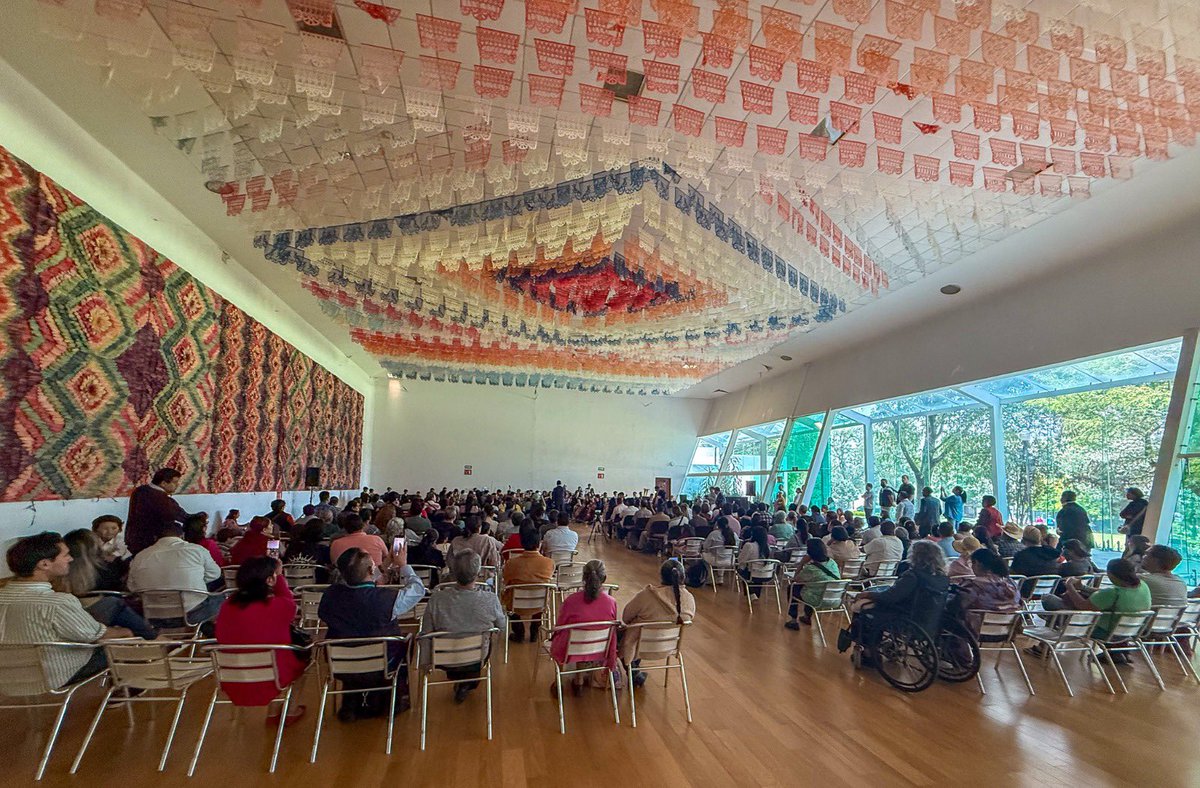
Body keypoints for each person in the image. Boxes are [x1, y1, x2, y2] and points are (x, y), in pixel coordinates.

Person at [0, 533, 134, 689]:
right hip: (56, 676)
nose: (70, 559)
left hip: (8, 681)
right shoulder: (58, 602)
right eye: (65, 555)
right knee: (123, 639)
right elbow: (95, 635)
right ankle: (125, 694)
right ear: (44, 564)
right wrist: (125, 633)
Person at [318, 544, 425, 719]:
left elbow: (360, 580)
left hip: (340, 664)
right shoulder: (387, 600)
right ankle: (397, 698)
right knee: (406, 639)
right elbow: (418, 590)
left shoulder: (330, 596)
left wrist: (385, 565)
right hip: (383, 664)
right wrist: (404, 565)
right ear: (370, 569)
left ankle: (351, 703)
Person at [214, 557, 309, 723]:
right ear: (270, 580)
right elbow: (289, 602)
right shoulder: (279, 606)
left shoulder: (227, 606)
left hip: (230, 678)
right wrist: (279, 578)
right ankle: (290, 710)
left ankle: (274, 712)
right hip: (273, 677)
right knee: (303, 659)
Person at [421, 549, 508, 703]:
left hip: (442, 658)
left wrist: (425, 661)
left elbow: (426, 633)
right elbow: (502, 626)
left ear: (453, 572)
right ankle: (468, 682)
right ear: (478, 572)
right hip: (477, 658)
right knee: (487, 637)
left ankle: (465, 683)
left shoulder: (437, 599)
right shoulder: (489, 599)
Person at [851, 541, 950, 653]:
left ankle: (868, 649)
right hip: (929, 617)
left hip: (904, 615)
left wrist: (868, 594)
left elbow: (890, 597)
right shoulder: (943, 577)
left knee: (863, 607)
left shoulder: (912, 576)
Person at [57, 530, 157, 640]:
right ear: (93, 547)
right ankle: (151, 638)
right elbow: (120, 588)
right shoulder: (105, 569)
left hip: (76, 614)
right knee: (116, 603)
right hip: (95, 612)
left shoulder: (62, 569)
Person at [127, 521, 224, 625]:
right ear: (182, 535)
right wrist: (193, 581)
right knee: (222, 597)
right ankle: (205, 632)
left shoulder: (140, 556)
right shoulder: (197, 550)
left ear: (155, 538)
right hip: (192, 614)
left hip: (152, 617)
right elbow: (215, 574)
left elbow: (132, 587)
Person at [620, 560, 695, 687]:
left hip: (637, 648)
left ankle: (632, 672)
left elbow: (626, 617)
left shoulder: (647, 595)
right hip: (669, 648)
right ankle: (635, 672)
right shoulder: (689, 599)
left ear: (661, 577)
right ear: (683, 577)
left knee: (622, 633)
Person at [550, 560, 619, 696]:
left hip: (571, 648)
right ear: (604, 578)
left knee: (566, 636)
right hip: (599, 648)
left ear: (583, 578)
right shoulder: (611, 602)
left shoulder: (571, 600)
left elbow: (560, 626)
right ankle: (579, 680)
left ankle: (558, 680)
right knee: (581, 637)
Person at [1050, 559, 1151, 642]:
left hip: (1103, 631)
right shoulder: (1143, 586)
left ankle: (1049, 643)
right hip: (1130, 631)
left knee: (1051, 602)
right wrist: (1083, 587)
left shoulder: (1113, 593)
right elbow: (1103, 593)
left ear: (1111, 574)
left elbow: (1083, 606)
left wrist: (1069, 586)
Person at [501, 528, 555, 642]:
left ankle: (519, 632)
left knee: (508, 594)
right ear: (539, 544)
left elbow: (506, 581)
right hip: (540, 605)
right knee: (542, 591)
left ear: (523, 543)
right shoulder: (549, 563)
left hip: (516, 606)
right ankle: (534, 631)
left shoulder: (511, 563)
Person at [125, 467, 192, 555]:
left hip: (133, 540)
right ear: (163, 483)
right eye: (175, 482)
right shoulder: (161, 499)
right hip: (151, 543)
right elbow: (184, 517)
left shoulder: (140, 490)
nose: (177, 485)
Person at [952, 548, 1021, 633]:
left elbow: (955, 605)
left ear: (976, 563)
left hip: (973, 632)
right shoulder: (1012, 585)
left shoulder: (971, 586)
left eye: (971, 563)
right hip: (1004, 631)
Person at [784, 539, 841, 629]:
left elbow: (795, 579)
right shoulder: (832, 562)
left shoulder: (811, 569)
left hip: (818, 599)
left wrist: (802, 563)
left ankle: (793, 620)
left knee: (792, 587)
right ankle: (807, 616)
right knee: (810, 588)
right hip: (836, 599)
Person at [736, 525, 772, 597]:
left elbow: (741, 560)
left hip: (751, 573)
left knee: (742, 568)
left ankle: (751, 593)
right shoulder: (768, 547)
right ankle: (755, 594)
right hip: (767, 574)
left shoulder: (749, 545)